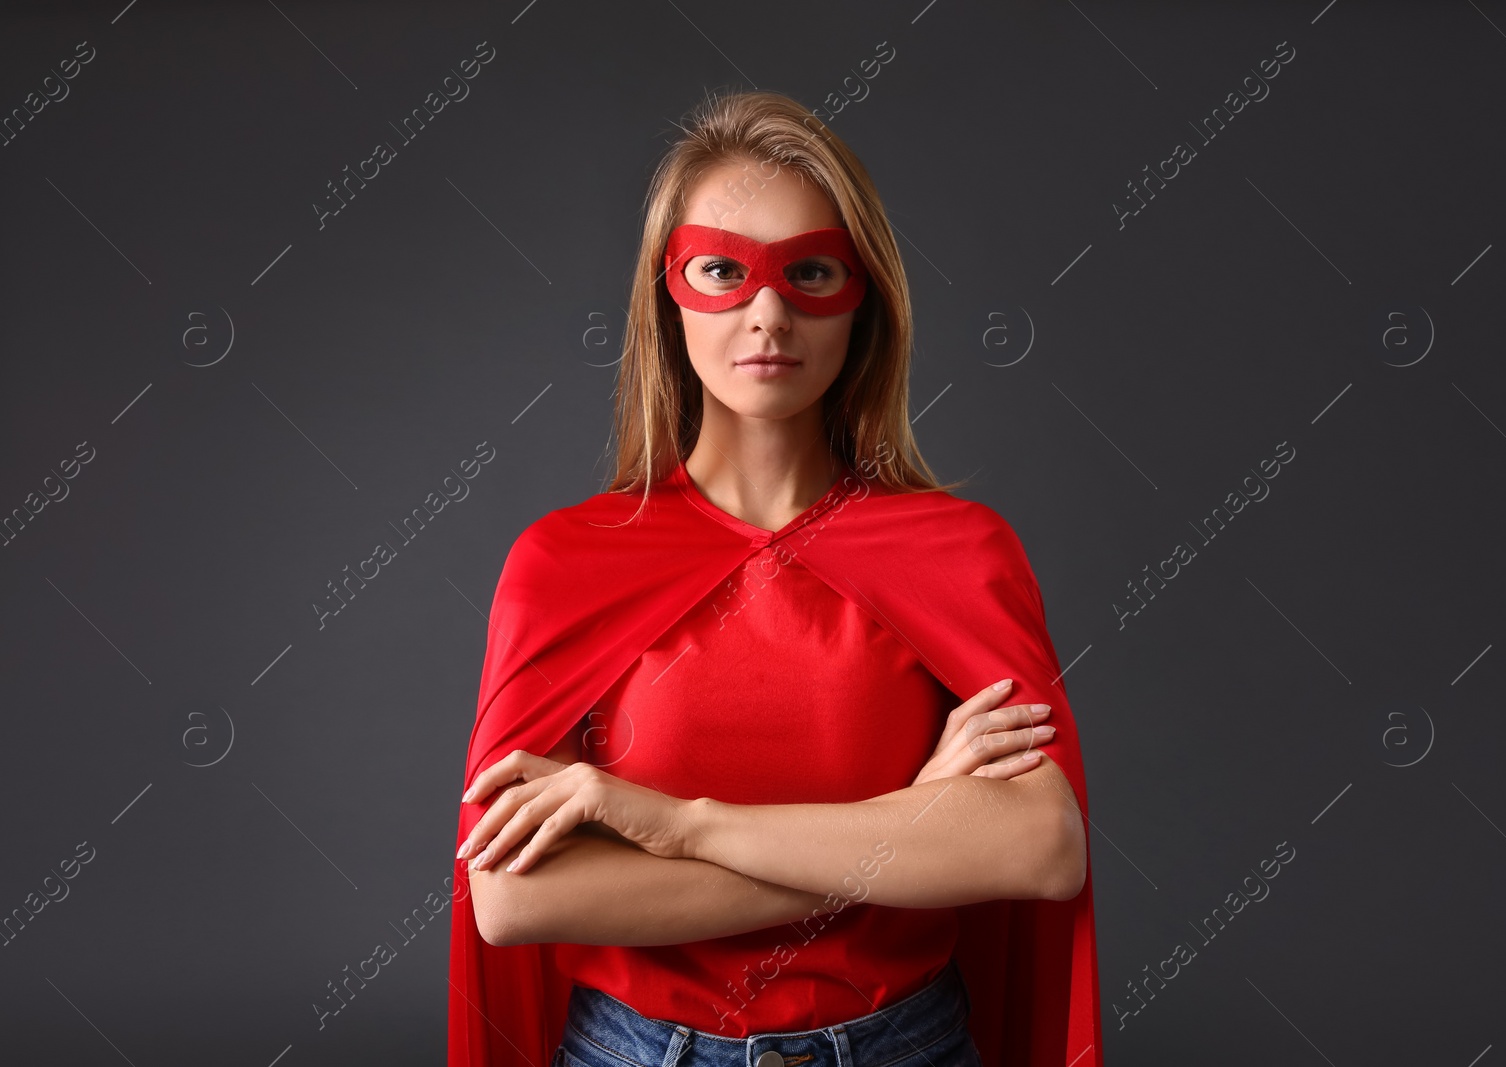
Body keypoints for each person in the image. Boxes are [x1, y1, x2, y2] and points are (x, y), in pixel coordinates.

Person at [446, 89, 1102, 1067]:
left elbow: (1041, 848)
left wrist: (674, 825)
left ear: (862, 295)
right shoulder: (565, 562)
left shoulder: (959, 551)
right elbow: (513, 897)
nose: (768, 313)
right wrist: (906, 828)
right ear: (668, 293)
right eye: (722, 269)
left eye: (810, 273)